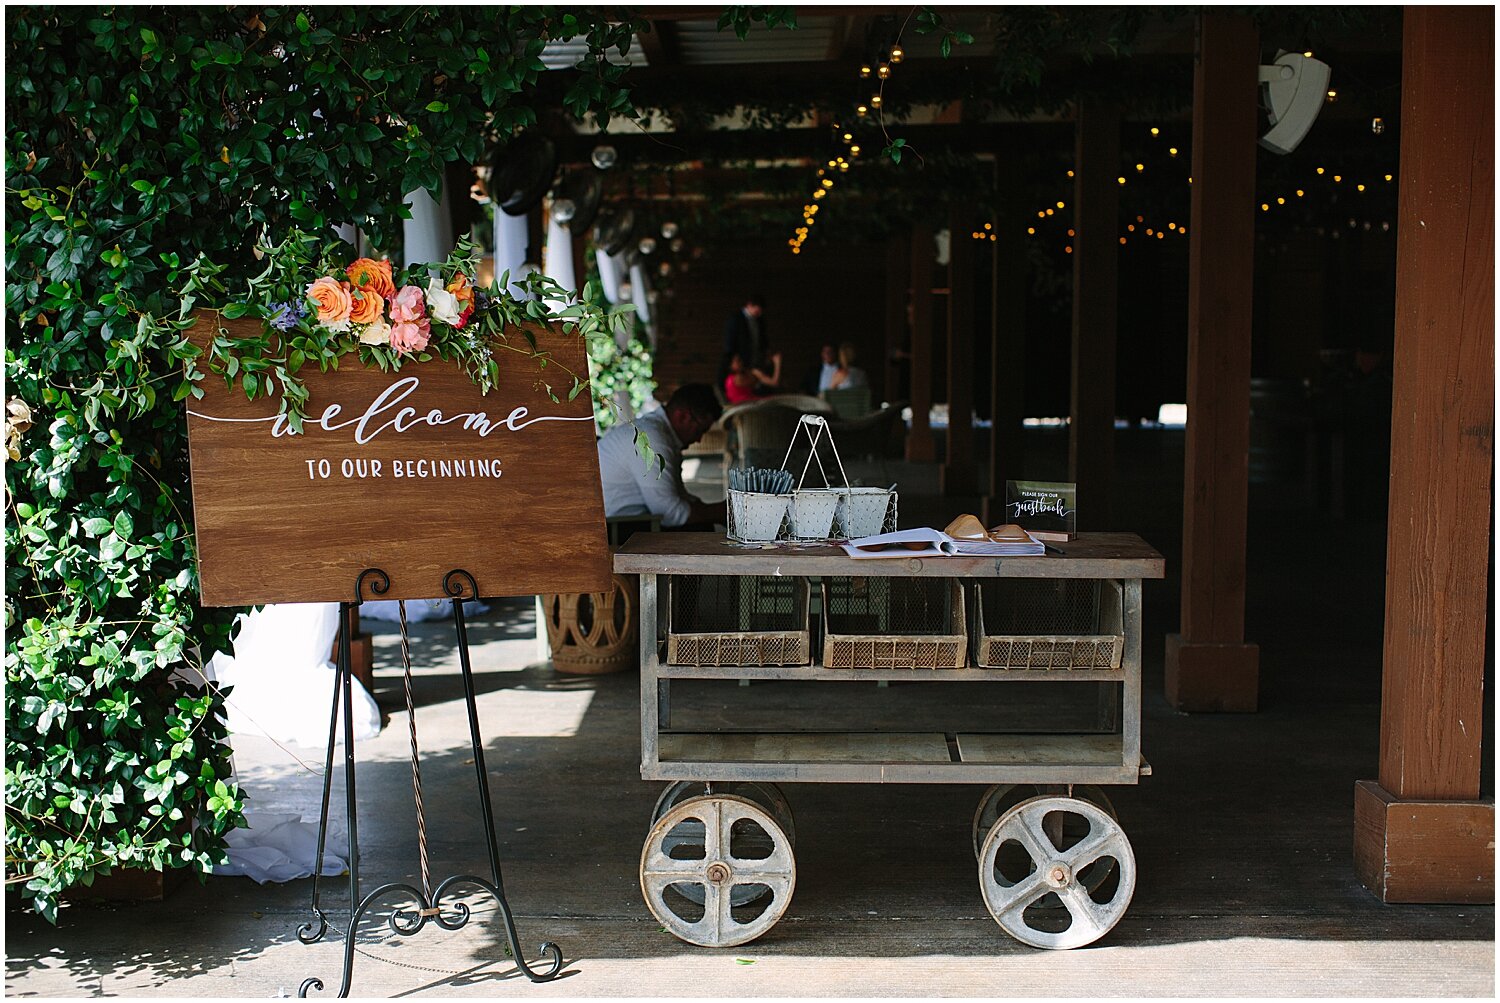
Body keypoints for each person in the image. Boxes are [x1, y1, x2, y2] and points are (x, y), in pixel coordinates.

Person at [597, 383, 725, 529]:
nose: (699, 440)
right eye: (699, 431)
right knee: (699, 527)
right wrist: (720, 511)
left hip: (623, 521)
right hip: (613, 528)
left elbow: (678, 497)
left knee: (700, 521)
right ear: (682, 417)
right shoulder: (652, 438)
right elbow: (670, 513)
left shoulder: (657, 431)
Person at [720, 294, 766, 383]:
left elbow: (762, 339)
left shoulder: (759, 321)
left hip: (753, 359)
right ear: (749, 305)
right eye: (757, 310)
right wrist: (734, 360)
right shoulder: (736, 319)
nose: (759, 313)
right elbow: (730, 341)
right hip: (739, 361)